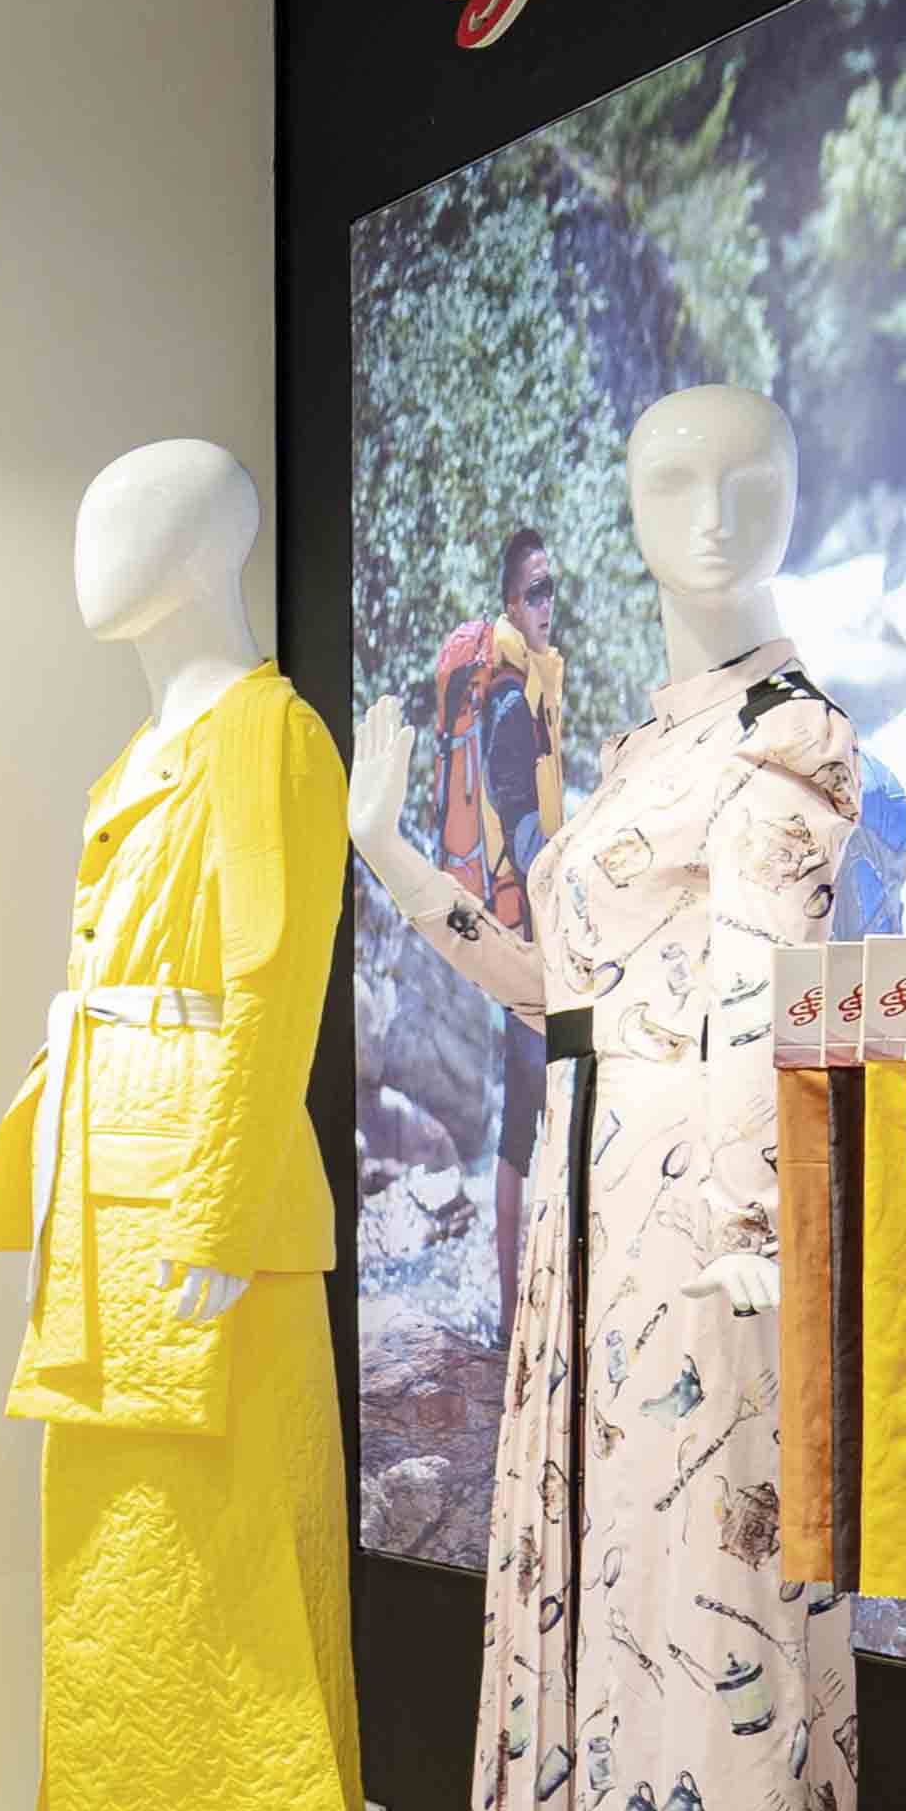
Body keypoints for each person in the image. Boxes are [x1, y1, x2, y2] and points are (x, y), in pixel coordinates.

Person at [427, 533, 563, 1284]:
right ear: (511, 602)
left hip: (516, 925)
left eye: (553, 590)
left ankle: (517, 1302)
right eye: (536, 592)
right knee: (526, 1117)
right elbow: (520, 822)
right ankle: (517, 1307)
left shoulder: (521, 685)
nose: (548, 605)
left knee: (523, 1113)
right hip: (523, 933)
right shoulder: (511, 701)